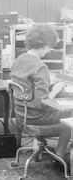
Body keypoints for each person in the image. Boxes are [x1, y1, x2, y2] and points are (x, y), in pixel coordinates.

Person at [11, 23, 71, 171]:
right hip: (36, 117)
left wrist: (47, 83)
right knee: (69, 118)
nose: (50, 50)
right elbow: (41, 103)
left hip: (22, 116)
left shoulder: (19, 60)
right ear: (43, 45)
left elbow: (28, 86)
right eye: (50, 46)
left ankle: (59, 153)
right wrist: (55, 89)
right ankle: (60, 156)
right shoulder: (40, 67)